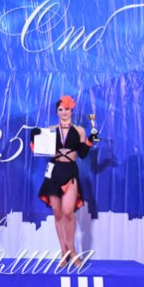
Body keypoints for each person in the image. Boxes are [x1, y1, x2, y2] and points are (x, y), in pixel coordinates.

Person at [31, 95, 96, 267]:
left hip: (70, 171)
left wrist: (89, 141)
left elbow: (82, 154)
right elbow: (42, 150)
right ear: (57, 112)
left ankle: (72, 251)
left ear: (71, 110)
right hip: (54, 172)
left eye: (67, 109)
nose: (64, 112)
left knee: (68, 212)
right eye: (60, 109)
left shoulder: (80, 130)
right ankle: (64, 251)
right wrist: (35, 140)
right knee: (57, 213)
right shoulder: (51, 130)